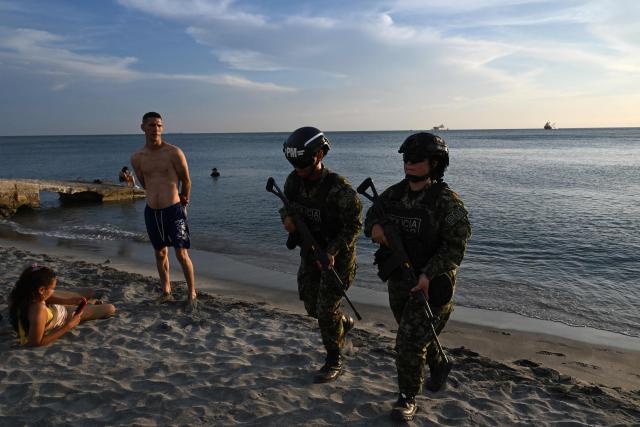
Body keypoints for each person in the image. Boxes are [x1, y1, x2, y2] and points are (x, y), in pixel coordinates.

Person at [363, 132, 471, 421]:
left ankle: (407, 398)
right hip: (399, 280)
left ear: (435, 163)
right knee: (413, 334)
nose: (408, 164)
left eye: (416, 159)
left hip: (431, 285)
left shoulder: (447, 202)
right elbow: (370, 218)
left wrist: (428, 274)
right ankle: (438, 364)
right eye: (406, 159)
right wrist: (375, 230)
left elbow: (455, 247)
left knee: (408, 343)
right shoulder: (394, 194)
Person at [279, 126, 362, 383]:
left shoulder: (340, 190)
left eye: (304, 163)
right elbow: (286, 206)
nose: (299, 169)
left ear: (320, 155)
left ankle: (334, 359)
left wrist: (333, 250)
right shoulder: (293, 180)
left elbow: (355, 226)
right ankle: (343, 324)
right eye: (296, 164)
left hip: (337, 259)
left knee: (326, 310)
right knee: (312, 306)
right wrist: (287, 220)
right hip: (309, 252)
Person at [130, 112, 197, 310]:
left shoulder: (174, 152)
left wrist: (185, 203)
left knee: (181, 253)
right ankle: (166, 291)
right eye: (151, 125)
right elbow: (145, 183)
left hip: (174, 210)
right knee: (160, 253)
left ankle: (191, 292)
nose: (155, 129)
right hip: (152, 211)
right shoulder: (137, 158)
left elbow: (187, 181)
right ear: (143, 127)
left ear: (163, 127)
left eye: (159, 125)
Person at [8, 264, 116, 347]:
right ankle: (90, 304)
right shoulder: (38, 310)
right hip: (64, 315)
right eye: (52, 288)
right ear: (41, 290)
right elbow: (35, 342)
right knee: (110, 308)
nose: (53, 290)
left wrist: (69, 300)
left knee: (88, 291)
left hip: (52, 307)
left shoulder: (23, 294)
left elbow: (46, 298)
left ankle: (89, 302)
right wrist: (69, 325)